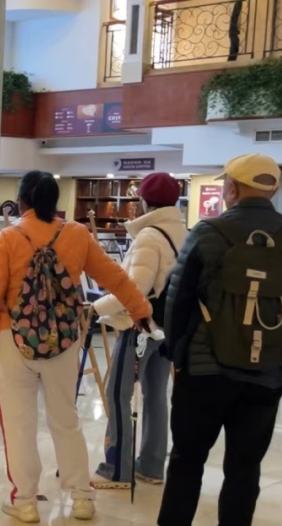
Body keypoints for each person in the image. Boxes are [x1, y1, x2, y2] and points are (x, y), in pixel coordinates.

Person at [144, 154, 282, 526]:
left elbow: (177, 302)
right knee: (245, 466)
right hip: (267, 373)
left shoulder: (207, 233)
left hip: (206, 370)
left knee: (187, 457)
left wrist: (178, 356)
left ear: (233, 189)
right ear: (273, 190)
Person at [0, 170, 149, 524]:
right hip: (63, 339)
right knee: (65, 418)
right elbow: (114, 277)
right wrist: (140, 310)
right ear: (55, 201)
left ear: (22, 201)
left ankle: (25, 501)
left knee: (19, 424)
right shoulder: (77, 234)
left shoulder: (8, 238)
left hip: (12, 340)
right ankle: (82, 496)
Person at [92, 173, 189, 489]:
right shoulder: (183, 232)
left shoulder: (149, 236)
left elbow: (133, 291)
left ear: (144, 202)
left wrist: (95, 308)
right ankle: (151, 465)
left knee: (117, 394)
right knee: (156, 395)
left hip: (140, 326)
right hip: (168, 328)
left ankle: (118, 468)